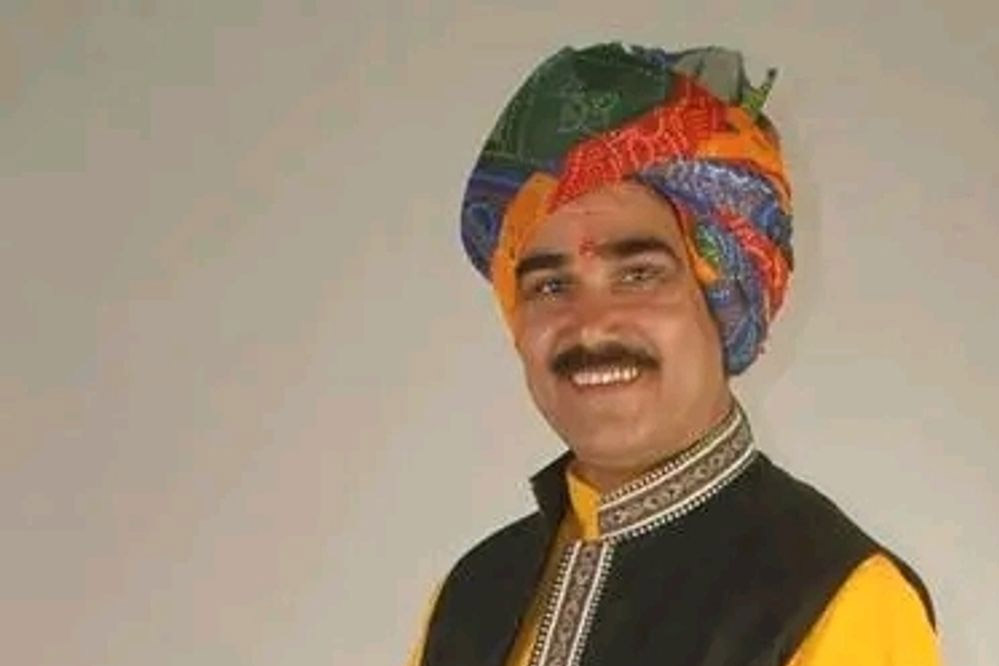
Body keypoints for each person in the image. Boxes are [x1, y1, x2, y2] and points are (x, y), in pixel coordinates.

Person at [406, 43, 940, 666]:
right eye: (551, 286)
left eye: (638, 275)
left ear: (722, 299)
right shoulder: (471, 597)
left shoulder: (838, 598)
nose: (592, 325)